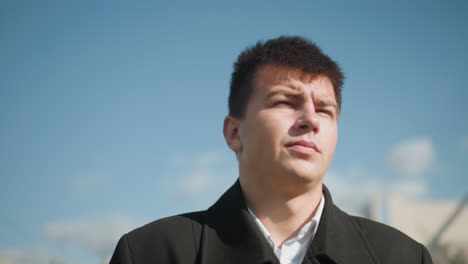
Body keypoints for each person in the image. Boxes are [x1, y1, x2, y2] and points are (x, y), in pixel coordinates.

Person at [110, 36, 433, 264]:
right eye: (286, 102)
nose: (310, 119)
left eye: (325, 109)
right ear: (234, 132)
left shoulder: (401, 256)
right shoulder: (150, 252)